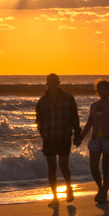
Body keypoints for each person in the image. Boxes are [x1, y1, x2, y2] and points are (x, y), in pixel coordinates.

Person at [36, 73, 80, 203]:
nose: (53, 85)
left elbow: (74, 117)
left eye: (55, 82)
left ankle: (68, 187)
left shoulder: (68, 98)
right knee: (51, 168)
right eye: (50, 82)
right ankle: (54, 197)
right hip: (49, 138)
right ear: (47, 84)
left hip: (63, 137)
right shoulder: (42, 101)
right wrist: (42, 132)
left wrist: (77, 134)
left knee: (63, 166)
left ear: (59, 83)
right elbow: (39, 119)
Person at [80, 78, 109, 203]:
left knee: (106, 167)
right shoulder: (93, 105)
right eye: (100, 89)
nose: (103, 91)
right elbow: (89, 123)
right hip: (96, 139)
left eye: (105, 89)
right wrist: (81, 137)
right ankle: (100, 188)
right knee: (93, 166)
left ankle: (104, 194)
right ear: (97, 91)